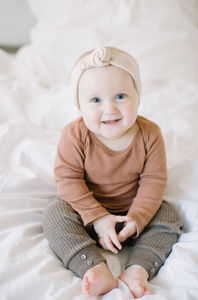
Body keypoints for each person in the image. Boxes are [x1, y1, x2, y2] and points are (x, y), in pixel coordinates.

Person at [42, 47, 182, 298]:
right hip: (87, 215)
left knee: (169, 214)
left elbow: (154, 181)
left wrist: (137, 218)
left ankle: (138, 268)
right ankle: (92, 267)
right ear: (79, 105)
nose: (110, 109)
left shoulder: (150, 133)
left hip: (131, 217)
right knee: (55, 212)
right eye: (95, 100)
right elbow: (67, 179)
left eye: (120, 96)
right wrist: (98, 218)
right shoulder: (75, 135)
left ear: (138, 96)